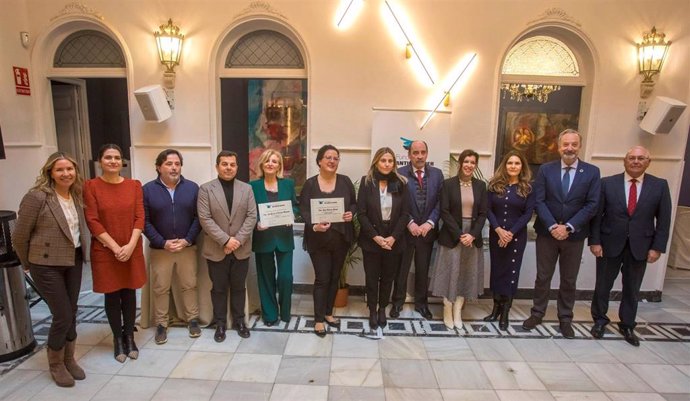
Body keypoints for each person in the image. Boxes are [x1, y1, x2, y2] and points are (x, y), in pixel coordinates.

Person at [13, 152, 88, 387]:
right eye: (60, 170)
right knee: (63, 314)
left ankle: (69, 358)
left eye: (69, 169)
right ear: (50, 173)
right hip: (45, 264)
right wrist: (27, 263)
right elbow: (19, 236)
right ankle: (55, 363)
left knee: (73, 311)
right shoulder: (37, 197)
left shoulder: (76, 194)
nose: (66, 173)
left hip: (72, 260)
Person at [589, 146, 671, 346]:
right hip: (609, 244)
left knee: (632, 288)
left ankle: (627, 324)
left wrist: (657, 247)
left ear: (648, 162)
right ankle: (599, 320)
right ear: (624, 161)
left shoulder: (659, 186)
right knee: (602, 285)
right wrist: (595, 241)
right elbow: (597, 216)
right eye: (632, 158)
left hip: (641, 246)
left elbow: (664, 220)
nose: (636, 161)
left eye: (640, 158)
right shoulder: (607, 184)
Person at [522, 129, 600, 339]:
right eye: (565, 144)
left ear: (579, 146)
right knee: (543, 276)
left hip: (574, 236)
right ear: (558, 147)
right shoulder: (547, 170)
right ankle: (537, 313)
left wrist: (568, 227)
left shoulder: (592, 172)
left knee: (569, 279)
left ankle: (565, 318)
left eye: (574, 144)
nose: (569, 148)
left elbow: (592, 205)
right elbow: (539, 200)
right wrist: (553, 227)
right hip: (547, 234)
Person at [84, 144, 146, 362]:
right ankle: (117, 339)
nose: (113, 161)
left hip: (131, 247)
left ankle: (130, 336)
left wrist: (129, 245)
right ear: (100, 161)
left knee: (129, 293)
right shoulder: (91, 186)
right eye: (108, 157)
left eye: (117, 158)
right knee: (112, 294)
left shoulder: (134, 185)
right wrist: (114, 247)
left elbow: (140, 217)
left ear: (122, 162)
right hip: (105, 250)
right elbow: (92, 220)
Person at [143, 149, 202, 345]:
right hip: (161, 249)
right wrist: (162, 242)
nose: (174, 167)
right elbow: (145, 221)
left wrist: (187, 239)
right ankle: (161, 324)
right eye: (169, 163)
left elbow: (198, 218)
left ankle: (192, 319)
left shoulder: (192, 188)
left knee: (189, 285)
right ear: (159, 167)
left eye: (177, 163)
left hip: (187, 247)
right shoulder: (147, 190)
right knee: (161, 288)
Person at [198, 150, 257, 341]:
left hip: (241, 249)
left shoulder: (246, 189)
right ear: (217, 167)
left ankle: (240, 322)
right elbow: (205, 218)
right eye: (224, 164)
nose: (228, 168)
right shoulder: (206, 189)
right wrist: (225, 240)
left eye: (232, 164)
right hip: (216, 249)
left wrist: (236, 240)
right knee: (219, 288)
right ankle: (220, 324)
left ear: (237, 167)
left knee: (239, 287)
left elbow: (251, 216)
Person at [300, 145, 357, 337]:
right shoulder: (310, 184)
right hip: (318, 239)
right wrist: (313, 225)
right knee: (322, 278)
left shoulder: (345, 181)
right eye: (328, 158)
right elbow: (304, 210)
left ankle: (328, 313)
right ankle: (318, 320)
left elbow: (354, 204)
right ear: (319, 162)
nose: (332, 161)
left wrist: (351, 213)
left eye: (335, 158)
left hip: (340, 237)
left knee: (334, 278)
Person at [429, 149, 487, 330]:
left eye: (473, 162)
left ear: (475, 165)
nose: (469, 165)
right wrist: (460, 234)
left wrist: (472, 234)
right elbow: (444, 212)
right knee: (450, 272)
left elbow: (483, 213)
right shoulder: (448, 184)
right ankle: (447, 308)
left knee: (465, 274)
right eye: (466, 161)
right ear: (460, 163)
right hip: (453, 234)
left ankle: (458, 311)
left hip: (472, 236)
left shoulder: (480, 186)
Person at [357, 147, 409, 331]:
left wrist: (393, 237)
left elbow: (405, 214)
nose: (387, 164)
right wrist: (375, 237)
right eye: (383, 160)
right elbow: (361, 214)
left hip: (393, 239)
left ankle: (382, 309)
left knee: (388, 278)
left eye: (390, 161)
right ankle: (372, 309)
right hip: (372, 238)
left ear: (394, 164)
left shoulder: (402, 183)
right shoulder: (366, 182)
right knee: (372, 278)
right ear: (376, 162)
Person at [392, 140, 444, 320]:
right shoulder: (399, 173)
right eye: (415, 153)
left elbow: (440, 202)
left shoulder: (437, 174)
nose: (419, 156)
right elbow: (396, 203)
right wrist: (410, 223)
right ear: (409, 155)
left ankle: (421, 304)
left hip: (426, 232)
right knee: (401, 269)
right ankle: (397, 302)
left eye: (422, 152)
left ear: (427, 154)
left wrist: (429, 223)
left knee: (423, 270)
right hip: (405, 231)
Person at [486, 151, 535, 330]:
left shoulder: (527, 189)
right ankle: (495, 309)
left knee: (511, 273)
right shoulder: (494, 186)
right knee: (497, 270)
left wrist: (510, 233)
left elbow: (528, 214)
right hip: (496, 235)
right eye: (510, 163)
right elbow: (488, 210)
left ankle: (505, 312)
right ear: (504, 166)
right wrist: (499, 230)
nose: (513, 166)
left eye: (517, 163)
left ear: (522, 167)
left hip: (516, 238)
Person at [250, 149, 299, 327]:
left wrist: (292, 215)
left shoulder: (288, 184)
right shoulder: (252, 186)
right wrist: (256, 222)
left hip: (284, 239)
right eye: (267, 161)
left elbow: (295, 206)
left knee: (286, 277)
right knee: (266, 278)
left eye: (275, 161)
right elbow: (249, 211)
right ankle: (270, 315)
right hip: (263, 238)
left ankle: (285, 312)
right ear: (262, 165)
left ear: (279, 165)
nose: (271, 164)